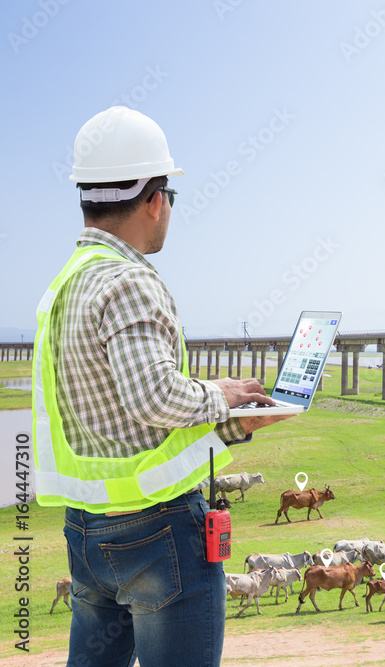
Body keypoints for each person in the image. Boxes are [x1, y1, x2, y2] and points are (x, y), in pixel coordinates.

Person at [32, 106, 291, 667]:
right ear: (153, 199)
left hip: (86, 531)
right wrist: (224, 401)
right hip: (156, 535)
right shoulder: (128, 282)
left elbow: (119, 411)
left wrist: (224, 408)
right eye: (170, 195)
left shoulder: (67, 284)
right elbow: (151, 397)